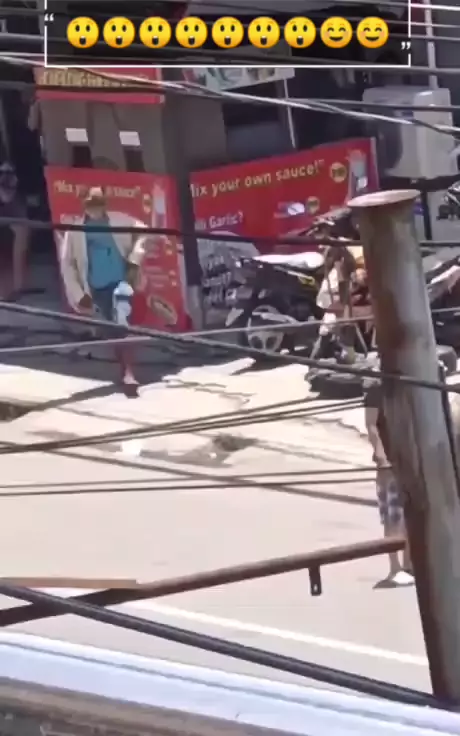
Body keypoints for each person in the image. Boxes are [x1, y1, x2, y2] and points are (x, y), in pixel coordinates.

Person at [60, 187, 145, 389]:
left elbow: (144, 231)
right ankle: (123, 368)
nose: (95, 208)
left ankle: (128, 372)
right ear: (84, 205)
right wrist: (78, 294)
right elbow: (67, 265)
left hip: (121, 283)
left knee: (122, 324)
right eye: (91, 204)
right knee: (112, 331)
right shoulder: (75, 230)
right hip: (97, 287)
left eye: (98, 203)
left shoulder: (119, 220)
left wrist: (135, 260)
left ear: (105, 204)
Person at [364, 378, 414, 587]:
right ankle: (395, 568)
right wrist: (382, 458)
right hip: (389, 463)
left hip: (408, 461)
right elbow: (371, 425)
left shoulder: (408, 383)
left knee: (411, 515)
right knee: (393, 518)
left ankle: (409, 565)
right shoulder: (376, 387)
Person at [0, 161, 29, 298]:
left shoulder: (17, 201)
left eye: (10, 174)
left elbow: (22, 225)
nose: (6, 178)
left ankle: (18, 286)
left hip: (13, 218)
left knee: (22, 232)